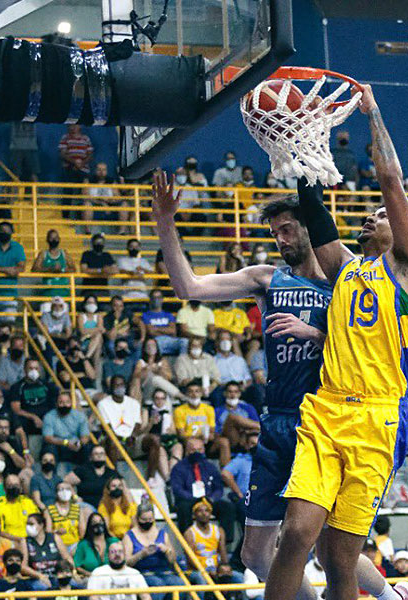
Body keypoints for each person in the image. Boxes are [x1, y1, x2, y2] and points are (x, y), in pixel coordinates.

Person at [153, 148, 346, 599]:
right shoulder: (267, 278)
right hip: (278, 418)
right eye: (274, 232)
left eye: (287, 228)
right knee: (256, 556)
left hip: (324, 419)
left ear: (310, 226)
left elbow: (373, 345)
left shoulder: (345, 280)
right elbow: (189, 287)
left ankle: (395, 595)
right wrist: (165, 221)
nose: (280, 238)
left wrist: (314, 333)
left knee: (326, 546)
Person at [261, 85, 408, 600]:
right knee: (296, 535)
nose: (370, 217)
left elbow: (390, 180)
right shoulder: (344, 269)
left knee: (339, 561)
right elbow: (318, 216)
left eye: (378, 217)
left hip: (376, 418)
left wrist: (372, 112)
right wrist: (302, 143)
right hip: (327, 409)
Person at [122, 503, 186, 597]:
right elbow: (127, 562)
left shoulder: (162, 533)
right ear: (137, 518)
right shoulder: (129, 536)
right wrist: (141, 554)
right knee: (158, 585)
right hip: (143, 573)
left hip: (164, 572)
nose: (147, 522)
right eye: (144, 519)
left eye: (150, 519)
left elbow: (172, 560)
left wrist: (166, 550)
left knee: (180, 584)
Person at [184, 499, 243, 588]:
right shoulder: (190, 533)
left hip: (215, 568)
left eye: (207, 511)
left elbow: (223, 554)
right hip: (197, 570)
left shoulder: (218, 530)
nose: (204, 513)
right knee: (201, 578)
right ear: (194, 514)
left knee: (239, 577)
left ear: (210, 514)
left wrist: (224, 568)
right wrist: (205, 571)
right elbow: (190, 559)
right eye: (200, 511)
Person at [21, 512, 73, 587]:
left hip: (58, 575)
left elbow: (68, 558)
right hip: (36, 578)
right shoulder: (25, 541)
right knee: (42, 586)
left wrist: (72, 572)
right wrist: (40, 576)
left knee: (78, 584)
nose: (28, 527)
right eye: (27, 524)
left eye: (31, 524)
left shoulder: (54, 537)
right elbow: (23, 567)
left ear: (41, 525)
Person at [65, 444, 118, 509]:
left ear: (105, 456)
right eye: (96, 453)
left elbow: (122, 488)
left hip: (106, 508)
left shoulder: (111, 473)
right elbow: (65, 482)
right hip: (86, 507)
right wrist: (75, 497)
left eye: (102, 453)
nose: (99, 456)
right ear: (91, 457)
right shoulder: (83, 470)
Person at [0, 474, 41, 541]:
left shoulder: (28, 502)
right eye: (10, 485)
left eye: (16, 485)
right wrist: (19, 540)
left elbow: (39, 522)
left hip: (30, 539)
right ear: (4, 488)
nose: (13, 487)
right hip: (8, 541)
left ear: (20, 487)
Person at [74, 512, 119, 578]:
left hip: (113, 578)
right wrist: (91, 575)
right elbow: (77, 566)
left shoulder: (114, 541)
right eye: (94, 522)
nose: (98, 524)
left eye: (101, 521)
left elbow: (122, 561)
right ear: (90, 526)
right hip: (90, 579)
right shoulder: (83, 544)